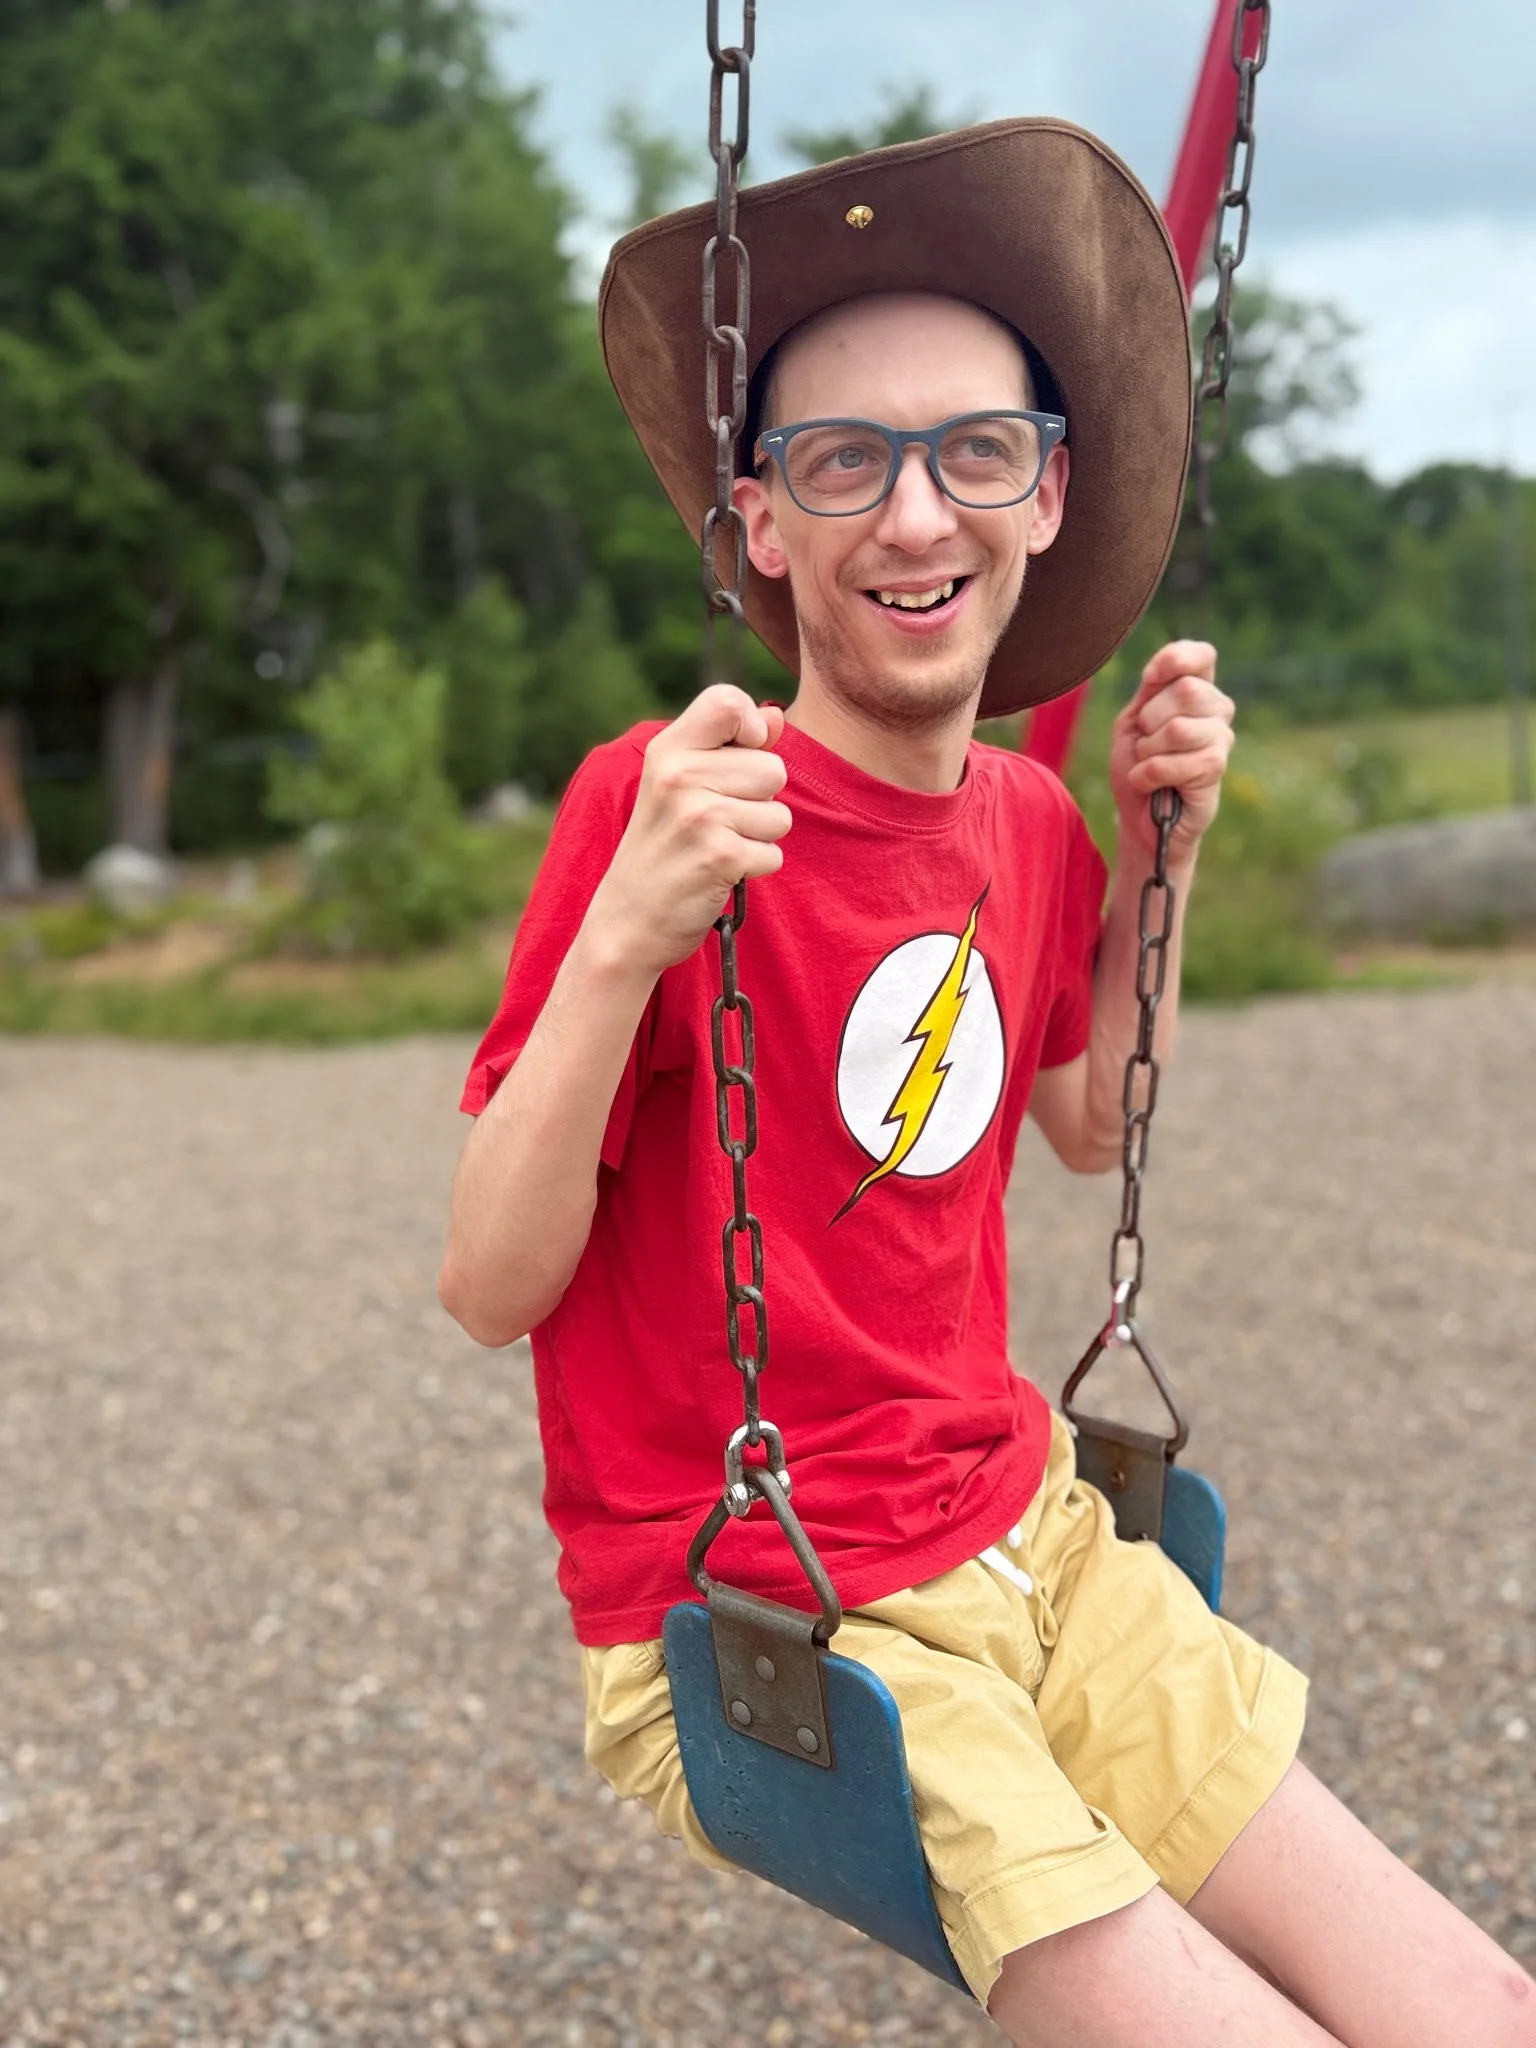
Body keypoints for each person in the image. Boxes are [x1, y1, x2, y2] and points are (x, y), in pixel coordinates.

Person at [440, 122, 1534, 2048]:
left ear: (1048, 491)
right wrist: (626, 931)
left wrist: (1160, 851)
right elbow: (489, 1285)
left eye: (974, 451)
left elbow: (1093, 1124)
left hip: (1028, 1530)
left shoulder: (1029, 826)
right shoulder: (670, 805)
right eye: (842, 459)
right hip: (778, 1605)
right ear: (760, 522)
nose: (915, 515)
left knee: (1468, 2002)